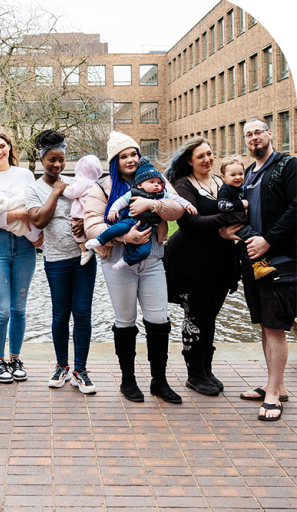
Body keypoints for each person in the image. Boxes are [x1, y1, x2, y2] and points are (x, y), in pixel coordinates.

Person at [84, 132, 185, 404]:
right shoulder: (103, 188)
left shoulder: (156, 179)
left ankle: (159, 382)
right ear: (114, 161)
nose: (130, 159)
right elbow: (91, 224)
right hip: (118, 260)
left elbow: (177, 209)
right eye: (123, 155)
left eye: (134, 153)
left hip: (152, 259)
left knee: (159, 321)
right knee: (125, 321)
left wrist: (152, 203)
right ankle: (128, 380)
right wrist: (123, 236)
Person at [163, 138, 241, 398]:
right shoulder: (183, 185)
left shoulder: (221, 181)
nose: (207, 159)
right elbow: (191, 223)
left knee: (211, 316)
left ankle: (206, 369)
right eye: (201, 157)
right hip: (190, 262)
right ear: (189, 161)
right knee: (196, 317)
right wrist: (227, 220)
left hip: (220, 262)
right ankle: (194, 373)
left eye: (210, 154)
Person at [26, 130, 97, 394]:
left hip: (83, 259)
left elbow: (93, 210)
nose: (57, 165)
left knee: (82, 313)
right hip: (56, 260)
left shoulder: (76, 183)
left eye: (62, 160)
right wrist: (55, 192)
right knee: (60, 315)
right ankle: (61, 366)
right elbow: (39, 220)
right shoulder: (34, 189)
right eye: (52, 160)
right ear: (42, 159)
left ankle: (81, 369)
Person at [237, 118, 297, 421]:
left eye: (258, 132)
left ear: (270, 134)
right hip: (253, 261)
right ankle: (277, 384)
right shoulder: (247, 174)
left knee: (275, 326)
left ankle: (273, 396)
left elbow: (296, 207)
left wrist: (268, 240)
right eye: (248, 135)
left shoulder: (288, 166)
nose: (253, 138)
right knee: (264, 324)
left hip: (280, 260)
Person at [0, 128, 43, 384]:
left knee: (19, 308)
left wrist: (20, 217)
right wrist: (17, 214)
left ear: (10, 147)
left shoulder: (25, 174)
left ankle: (15, 358)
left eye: (2, 146)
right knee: (2, 310)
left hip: (24, 245)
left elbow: (34, 209)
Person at [86, 157, 197, 270]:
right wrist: (113, 210)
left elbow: (177, 200)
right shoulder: (133, 192)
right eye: (152, 182)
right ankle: (99, 240)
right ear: (140, 185)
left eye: (159, 183)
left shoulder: (162, 194)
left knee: (144, 252)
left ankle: (125, 261)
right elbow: (121, 202)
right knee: (116, 228)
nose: (156, 185)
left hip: (148, 230)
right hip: (131, 222)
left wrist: (188, 205)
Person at [217, 155, 275, 279]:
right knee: (253, 239)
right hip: (234, 223)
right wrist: (240, 204)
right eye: (233, 175)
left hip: (241, 221)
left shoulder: (238, 188)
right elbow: (221, 206)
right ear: (223, 177)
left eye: (241, 174)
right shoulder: (226, 189)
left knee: (246, 242)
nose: (238, 177)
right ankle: (258, 266)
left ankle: (236, 255)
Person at [62, 154, 103, 265]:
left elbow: (72, 193)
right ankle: (94, 246)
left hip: (80, 213)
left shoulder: (81, 181)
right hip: (92, 213)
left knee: (77, 232)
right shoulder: (95, 182)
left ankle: (85, 250)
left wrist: (62, 188)